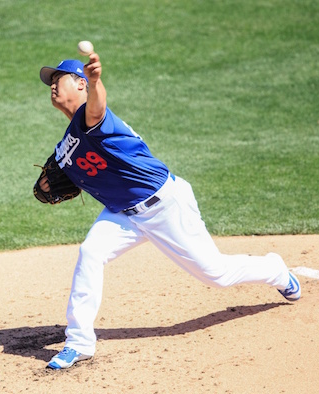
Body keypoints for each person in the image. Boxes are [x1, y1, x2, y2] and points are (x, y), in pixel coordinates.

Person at [37, 52, 301, 370]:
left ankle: (275, 270)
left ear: (80, 83)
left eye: (59, 78)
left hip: (165, 205)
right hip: (122, 213)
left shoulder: (94, 118)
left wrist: (96, 81)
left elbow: (97, 104)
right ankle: (79, 343)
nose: (52, 85)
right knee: (91, 252)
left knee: (215, 274)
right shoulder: (64, 145)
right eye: (50, 81)